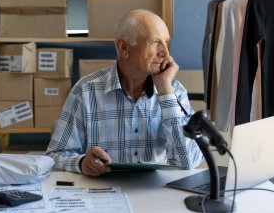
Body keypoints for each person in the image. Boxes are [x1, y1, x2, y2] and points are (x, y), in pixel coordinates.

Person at [46, 9, 203, 176]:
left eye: (166, 42)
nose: (165, 52)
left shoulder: (174, 91)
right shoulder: (85, 91)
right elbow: (55, 155)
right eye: (154, 42)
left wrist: (165, 90)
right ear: (124, 48)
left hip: (152, 193)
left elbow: (187, 163)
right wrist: (82, 163)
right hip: (101, 192)